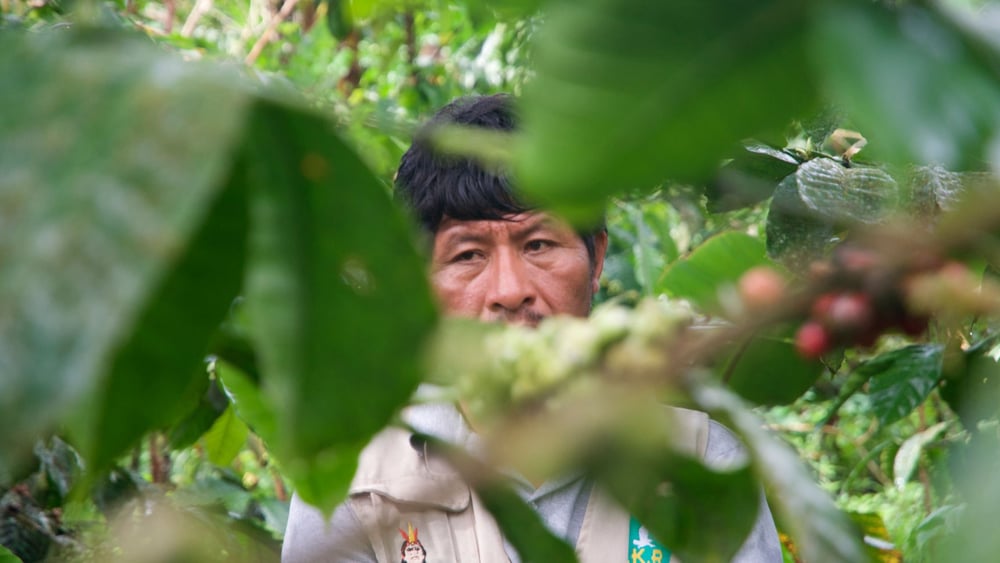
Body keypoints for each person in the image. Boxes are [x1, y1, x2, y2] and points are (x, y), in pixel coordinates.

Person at [281, 94, 783, 562]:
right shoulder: (353, 482)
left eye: (539, 244)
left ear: (596, 256)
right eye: (468, 254)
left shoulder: (702, 462)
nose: (510, 289)